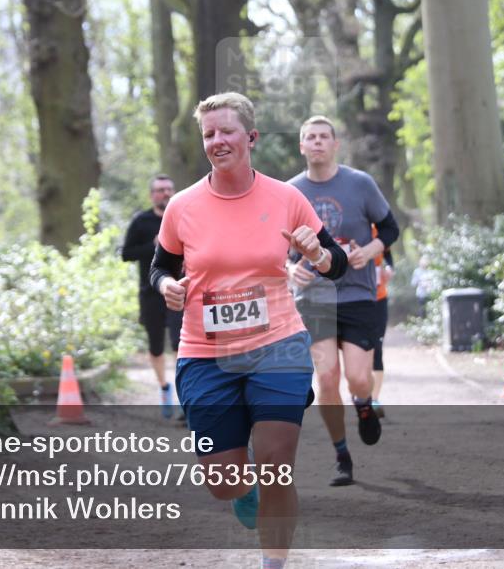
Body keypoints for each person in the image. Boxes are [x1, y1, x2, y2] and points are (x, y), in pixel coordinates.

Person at [150, 93, 347, 569]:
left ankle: (273, 563)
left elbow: (336, 263)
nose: (217, 141)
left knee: (277, 464)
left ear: (251, 137)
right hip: (205, 355)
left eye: (226, 131)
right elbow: (160, 267)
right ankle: (244, 489)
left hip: (277, 346)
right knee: (223, 482)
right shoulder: (182, 206)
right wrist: (167, 286)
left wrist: (317, 254)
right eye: (209, 134)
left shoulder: (286, 198)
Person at [287, 116, 400, 487]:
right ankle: (341, 455)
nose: (317, 142)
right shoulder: (290, 192)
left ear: (336, 145)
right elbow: (273, 245)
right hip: (314, 296)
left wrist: (369, 250)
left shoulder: (360, 183)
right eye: (310, 137)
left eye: (324, 137)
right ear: (302, 146)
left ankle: (364, 405)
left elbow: (390, 228)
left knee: (358, 378)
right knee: (327, 377)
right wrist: (289, 269)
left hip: (357, 293)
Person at [121, 174, 183, 419]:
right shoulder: (141, 221)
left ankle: (184, 396)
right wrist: (153, 245)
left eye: (169, 189)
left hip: (178, 290)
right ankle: (164, 388)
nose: (165, 193)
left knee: (180, 344)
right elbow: (126, 253)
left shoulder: (180, 216)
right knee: (156, 347)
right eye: (160, 190)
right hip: (150, 293)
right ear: (152, 195)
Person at [370, 225, 395, 419]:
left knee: (377, 348)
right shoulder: (345, 225)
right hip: (352, 301)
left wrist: (389, 268)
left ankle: (374, 399)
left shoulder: (377, 230)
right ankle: (360, 394)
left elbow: (388, 255)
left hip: (378, 298)